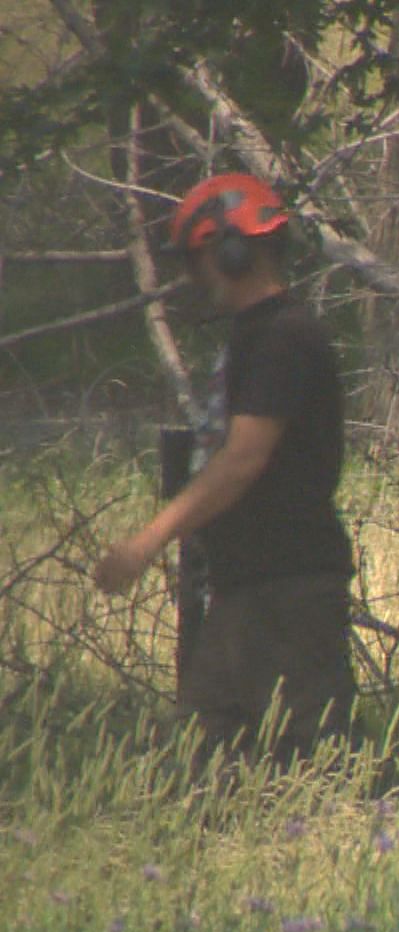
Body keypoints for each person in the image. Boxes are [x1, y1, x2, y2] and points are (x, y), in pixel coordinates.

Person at [93, 173, 356, 762]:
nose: (195, 276)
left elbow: (242, 460)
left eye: (198, 259)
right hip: (249, 587)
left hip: (289, 591)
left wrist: (147, 543)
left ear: (232, 251)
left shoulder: (283, 338)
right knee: (202, 755)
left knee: (311, 766)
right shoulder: (254, 337)